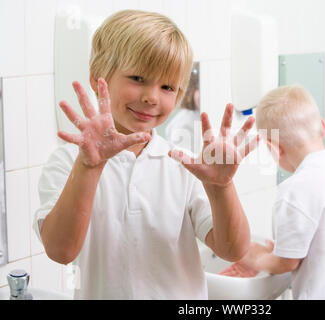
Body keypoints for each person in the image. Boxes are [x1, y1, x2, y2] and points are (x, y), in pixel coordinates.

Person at [32, 10, 259, 300]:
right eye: (138, 78)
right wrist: (89, 167)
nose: (152, 96)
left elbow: (232, 250)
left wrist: (221, 188)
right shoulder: (67, 163)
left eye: (167, 87)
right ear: (97, 78)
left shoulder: (184, 165)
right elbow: (61, 251)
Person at [221, 85, 325, 300]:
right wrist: (282, 250)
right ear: (322, 126)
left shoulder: (294, 189)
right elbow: (324, 241)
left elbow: (287, 263)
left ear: (274, 148)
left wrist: (255, 258)